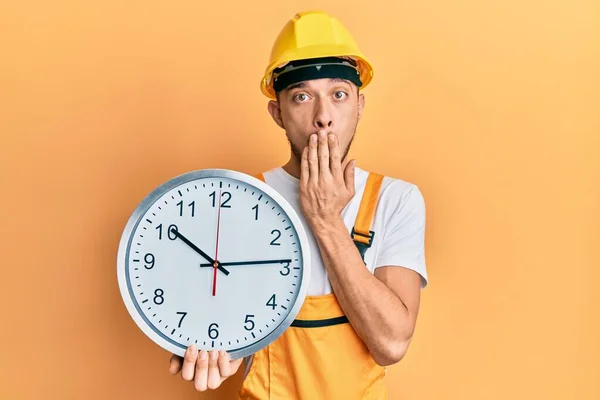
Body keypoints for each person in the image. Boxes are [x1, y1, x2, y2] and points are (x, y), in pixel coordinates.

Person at [168, 10, 428, 399]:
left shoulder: (395, 200)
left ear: (359, 104)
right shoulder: (238, 202)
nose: (323, 117)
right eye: (302, 97)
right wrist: (216, 349)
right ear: (277, 113)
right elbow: (219, 327)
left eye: (339, 94)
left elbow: (391, 344)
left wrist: (325, 218)